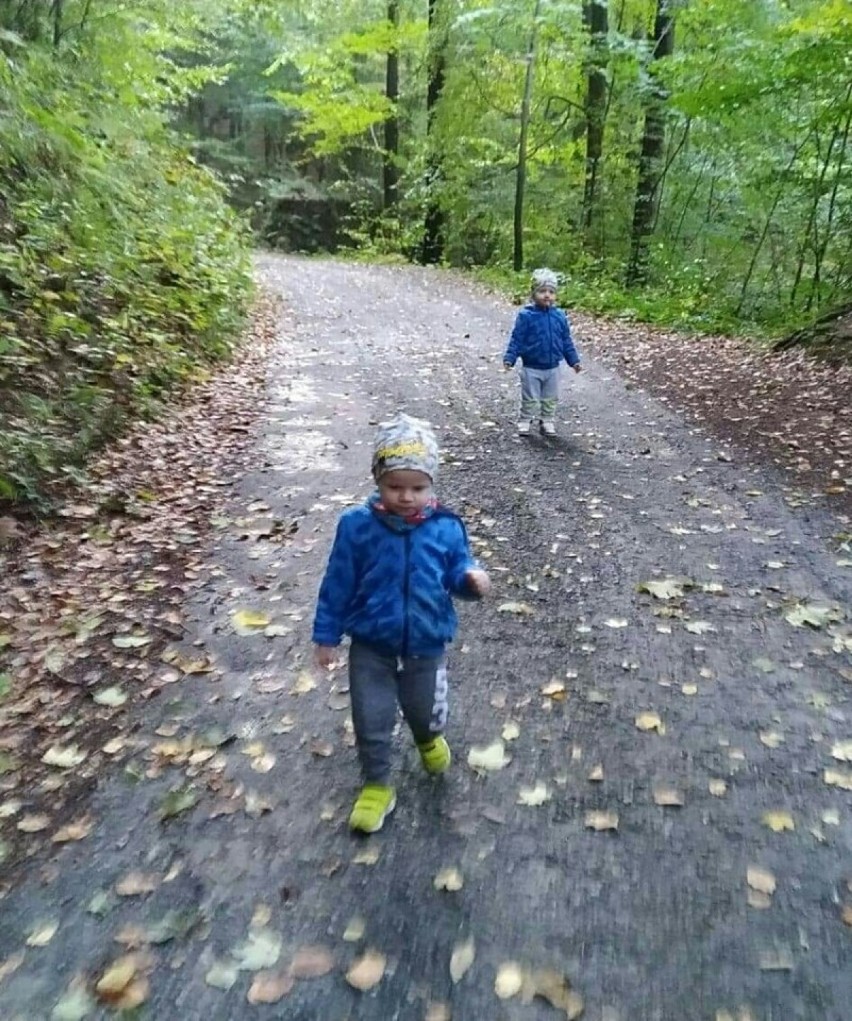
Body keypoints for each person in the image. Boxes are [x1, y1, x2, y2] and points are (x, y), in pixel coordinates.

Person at [312, 413, 490, 834]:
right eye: (395, 487)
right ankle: (376, 784)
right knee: (370, 717)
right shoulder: (356, 527)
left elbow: (456, 571)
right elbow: (337, 582)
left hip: (426, 642)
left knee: (424, 711)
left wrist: (471, 581)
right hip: (371, 643)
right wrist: (326, 635)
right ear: (377, 480)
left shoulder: (446, 526)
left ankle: (428, 739)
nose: (406, 497)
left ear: (432, 484)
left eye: (418, 487)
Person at [502, 267, 582, 435]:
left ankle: (547, 421)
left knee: (550, 397)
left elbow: (566, 340)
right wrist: (510, 357)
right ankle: (525, 419)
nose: (547, 295)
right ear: (533, 294)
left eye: (551, 292)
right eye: (542, 291)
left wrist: (573, 361)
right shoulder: (526, 315)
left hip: (552, 367)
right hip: (531, 366)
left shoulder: (559, 316)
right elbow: (517, 338)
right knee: (530, 397)